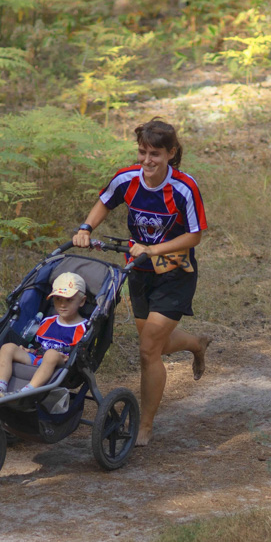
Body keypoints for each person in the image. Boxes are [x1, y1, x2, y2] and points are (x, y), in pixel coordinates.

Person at [72, 118, 210, 446]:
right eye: (143, 152)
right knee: (155, 344)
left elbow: (195, 236)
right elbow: (104, 202)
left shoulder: (184, 188)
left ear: (171, 154)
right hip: (139, 271)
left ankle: (144, 425)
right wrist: (85, 229)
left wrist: (152, 248)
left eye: (156, 154)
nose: (147, 160)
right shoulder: (127, 179)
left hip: (176, 273)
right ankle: (195, 344)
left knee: (148, 350)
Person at [0, 272, 89, 400]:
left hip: (60, 362)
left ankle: (27, 391)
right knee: (7, 348)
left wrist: (68, 356)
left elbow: (79, 353)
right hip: (38, 357)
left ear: (82, 301)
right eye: (58, 299)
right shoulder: (47, 322)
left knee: (51, 354)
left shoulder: (83, 327)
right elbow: (38, 345)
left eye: (69, 300)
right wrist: (30, 350)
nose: (62, 304)